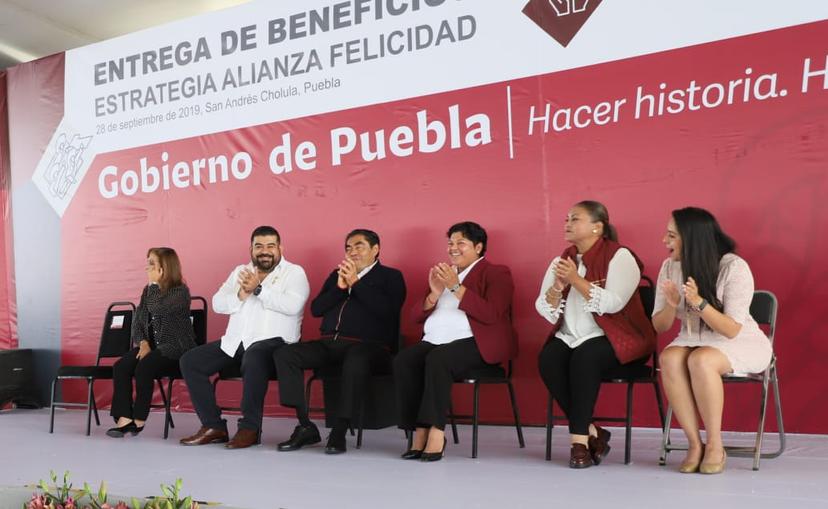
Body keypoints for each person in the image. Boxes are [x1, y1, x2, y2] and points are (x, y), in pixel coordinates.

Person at [536, 200, 655, 468]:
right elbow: (544, 308)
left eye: (575, 219)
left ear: (597, 227)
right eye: (566, 218)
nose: (567, 223)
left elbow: (614, 303)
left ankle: (578, 443)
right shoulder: (561, 261)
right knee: (548, 359)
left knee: (585, 358)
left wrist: (576, 280)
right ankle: (594, 432)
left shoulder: (620, 256)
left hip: (618, 336)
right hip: (571, 335)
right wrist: (557, 287)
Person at [654, 207, 771, 474]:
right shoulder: (670, 267)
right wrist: (672, 306)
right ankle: (695, 444)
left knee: (702, 359)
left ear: (691, 238)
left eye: (671, 236)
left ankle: (715, 444)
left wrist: (698, 302)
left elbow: (731, 330)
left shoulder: (733, 267)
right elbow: (659, 326)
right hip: (691, 339)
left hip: (739, 342)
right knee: (669, 358)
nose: (664, 241)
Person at [274, 229, 406, 454]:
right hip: (330, 344)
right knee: (285, 353)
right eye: (348, 247)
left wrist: (357, 283)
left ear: (375, 249)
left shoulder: (391, 276)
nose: (352, 251)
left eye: (359, 246)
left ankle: (339, 430)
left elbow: (389, 312)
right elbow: (316, 309)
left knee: (356, 358)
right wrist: (340, 287)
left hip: (371, 347)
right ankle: (305, 425)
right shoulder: (337, 274)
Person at [394, 221, 517, 462]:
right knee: (404, 360)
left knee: (438, 359)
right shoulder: (445, 274)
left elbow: (492, 313)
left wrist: (456, 287)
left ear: (479, 247)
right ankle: (418, 430)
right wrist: (434, 293)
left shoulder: (496, 273)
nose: (453, 248)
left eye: (461, 243)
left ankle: (436, 432)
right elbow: (414, 317)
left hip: (477, 346)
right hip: (435, 342)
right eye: (450, 243)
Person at [179, 226, 309, 449]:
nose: (264, 251)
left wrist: (259, 290)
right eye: (259, 246)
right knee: (190, 361)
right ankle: (214, 426)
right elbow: (218, 303)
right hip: (236, 341)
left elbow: (293, 305)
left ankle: (250, 427)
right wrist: (241, 294)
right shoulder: (241, 270)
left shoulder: (294, 272)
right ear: (251, 249)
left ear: (280, 248)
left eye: (270, 246)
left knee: (255, 354)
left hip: (276, 344)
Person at [107, 247, 196, 437]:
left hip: (176, 347)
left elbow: (157, 309)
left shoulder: (180, 292)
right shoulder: (148, 290)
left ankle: (139, 420)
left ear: (164, 267)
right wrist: (143, 343)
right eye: (147, 262)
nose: (147, 267)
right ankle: (124, 419)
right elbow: (138, 321)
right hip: (152, 347)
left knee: (144, 367)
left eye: (151, 263)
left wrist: (154, 283)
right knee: (121, 366)